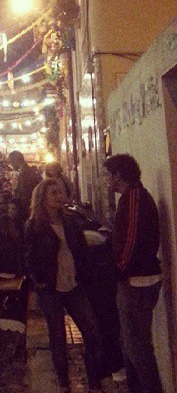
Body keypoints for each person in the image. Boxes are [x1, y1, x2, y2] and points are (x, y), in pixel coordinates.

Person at [25, 179, 103, 393]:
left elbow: (82, 253)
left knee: (92, 333)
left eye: (60, 192)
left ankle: (94, 382)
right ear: (42, 198)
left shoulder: (71, 222)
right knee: (57, 337)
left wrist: (85, 275)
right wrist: (38, 281)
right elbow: (29, 257)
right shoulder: (34, 226)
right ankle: (63, 384)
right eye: (53, 193)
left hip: (74, 286)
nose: (59, 196)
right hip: (50, 288)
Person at [104, 154, 164, 393]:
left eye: (108, 174)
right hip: (135, 279)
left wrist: (119, 270)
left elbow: (130, 240)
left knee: (138, 349)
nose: (106, 180)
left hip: (137, 282)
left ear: (118, 175)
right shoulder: (130, 198)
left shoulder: (134, 199)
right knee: (131, 345)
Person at [9, 150, 41, 223]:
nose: (11, 164)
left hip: (26, 210)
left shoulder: (24, 172)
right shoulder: (26, 169)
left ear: (16, 160)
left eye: (11, 161)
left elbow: (25, 194)